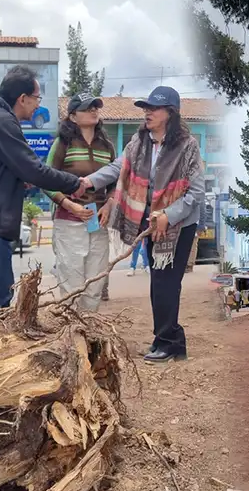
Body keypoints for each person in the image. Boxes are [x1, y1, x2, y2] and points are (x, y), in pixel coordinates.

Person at [0, 64, 88, 313]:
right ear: (22, 98)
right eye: (36, 98)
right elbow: (33, 169)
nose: (37, 104)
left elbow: (9, 170)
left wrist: (20, 180)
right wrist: (75, 183)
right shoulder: (1, 122)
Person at [84, 86, 205, 364]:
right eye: (145, 108)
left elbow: (196, 193)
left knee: (166, 284)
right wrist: (89, 181)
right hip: (151, 223)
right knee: (158, 283)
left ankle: (169, 341)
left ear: (170, 113)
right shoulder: (139, 143)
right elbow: (117, 168)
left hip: (178, 226)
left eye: (154, 108)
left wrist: (169, 215)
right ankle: (168, 340)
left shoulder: (188, 146)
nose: (147, 112)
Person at [41, 92, 115, 311]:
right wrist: (68, 204)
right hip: (69, 221)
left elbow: (115, 182)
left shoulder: (107, 146)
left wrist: (109, 204)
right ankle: (71, 329)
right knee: (71, 284)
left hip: (98, 222)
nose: (94, 111)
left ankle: (89, 327)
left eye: (95, 107)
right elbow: (45, 180)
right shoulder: (62, 143)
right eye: (87, 108)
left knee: (95, 283)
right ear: (73, 116)